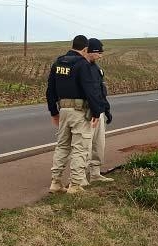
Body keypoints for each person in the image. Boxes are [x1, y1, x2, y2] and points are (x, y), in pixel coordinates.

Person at [46, 35, 107, 194]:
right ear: (85, 49)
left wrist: (54, 112)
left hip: (63, 110)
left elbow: (50, 90)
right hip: (79, 112)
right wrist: (96, 111)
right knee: (80, 148)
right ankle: (75, 184)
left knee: (62, 146)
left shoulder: (58, 63)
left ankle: (55, 182)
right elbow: (90, 90)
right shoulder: (82, 65)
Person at [84, 38, 114, 183]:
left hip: (99, 111)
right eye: (99, 52)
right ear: (91, 51)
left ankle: (95, 173)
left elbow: (101, 91)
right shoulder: (83, 68)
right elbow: (88, 92)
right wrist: (95, 111)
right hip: (88, 113)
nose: (101, 55)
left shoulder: (97, 69)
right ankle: (81, 176)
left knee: (98, 145)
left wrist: (105, 109)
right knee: (85, 145)